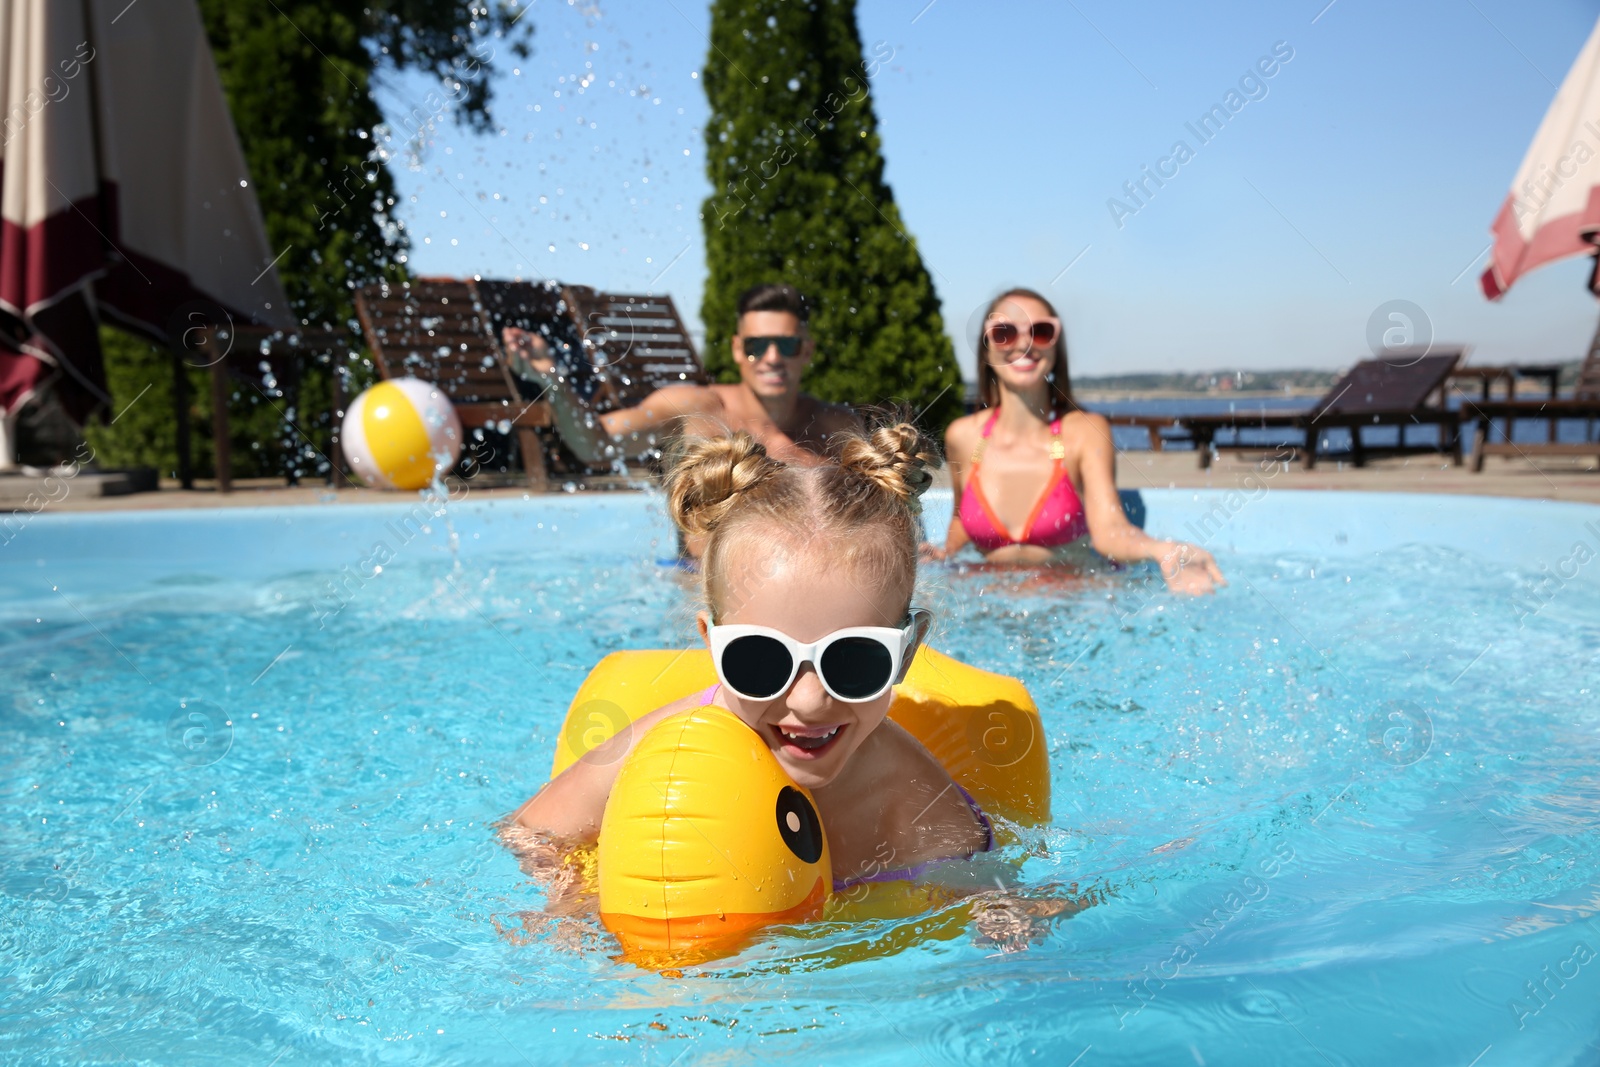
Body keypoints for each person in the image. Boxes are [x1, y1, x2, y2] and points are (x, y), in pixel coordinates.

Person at [510, 420, 998, 893]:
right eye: (762, 660)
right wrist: (575, 902)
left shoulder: (906, 796)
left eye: (852, 662)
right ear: (711, 643)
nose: (808, 702)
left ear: (906, 652)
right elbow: (529, 833)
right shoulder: (664, 748)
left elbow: (983, 888)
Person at [928, 288, 1225, 595]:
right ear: (987, 347)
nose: (1024, 343)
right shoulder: (963, 437)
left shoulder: (1085, 432)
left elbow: (1111, 529)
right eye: (1004, 332)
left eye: (1041, 332)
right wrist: (943, 552)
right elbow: (961, 521)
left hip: (1071, 604)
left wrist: (1163, 549)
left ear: (1057, 349)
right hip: (986, 599)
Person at [500, 283, 860, 468]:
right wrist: (552, 379)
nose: (770, 358)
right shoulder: (694, 408)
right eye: (757, 345)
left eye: (786, 346)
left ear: (807, 351)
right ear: (737, 349)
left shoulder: (837, 428)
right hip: (697, 594)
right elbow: (595, 444)